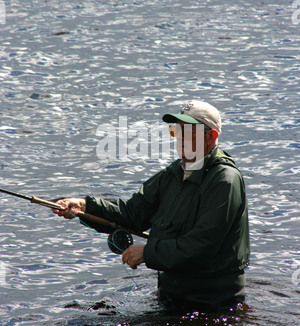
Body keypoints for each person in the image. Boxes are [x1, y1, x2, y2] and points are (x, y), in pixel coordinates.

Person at [53, 101, 250, 310]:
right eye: (177, 130)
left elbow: (202, 245)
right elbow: (131, 214)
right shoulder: (173, 174)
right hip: (172, 296)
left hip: (213, 302)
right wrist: (84, 207)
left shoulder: (225, 180)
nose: (180, 137)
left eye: (188, 131)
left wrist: (147, 253)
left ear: (211, 137)